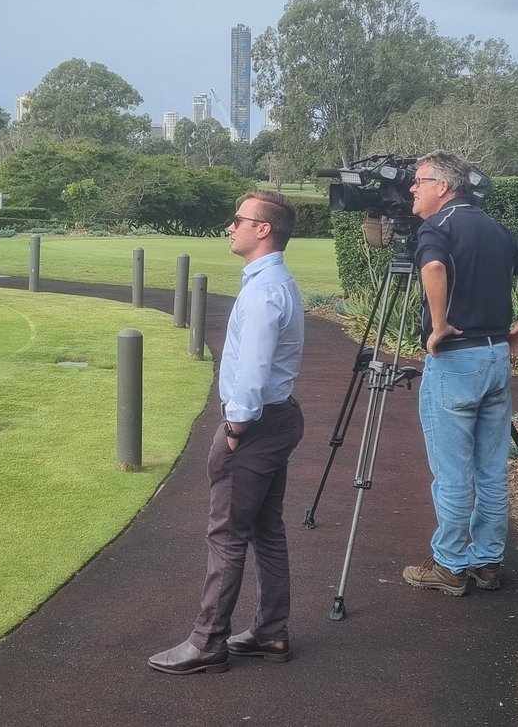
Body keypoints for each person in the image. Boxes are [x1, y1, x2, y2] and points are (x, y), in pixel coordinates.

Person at [148, 190, 305, 674]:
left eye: (238, 219)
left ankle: (208, 641)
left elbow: (253, 371)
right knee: (266, 529)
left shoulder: (263, 292)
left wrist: (235, 427)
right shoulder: (276, 281)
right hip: (278, 418)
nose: (230, 226)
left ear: (264, 229)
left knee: (227, 535)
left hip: (254, 425)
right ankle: (270, 632)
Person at [402, 149, 518, 596]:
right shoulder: (492, 227)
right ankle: (487, 560)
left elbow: (431, 266)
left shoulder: (438, 227)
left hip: (456, 362)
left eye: (419, 180)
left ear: (443, 187)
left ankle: (449, 565)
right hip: (494, 359)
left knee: (452, 473)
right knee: (490, 470)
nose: (412, 187)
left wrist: (440, 322)